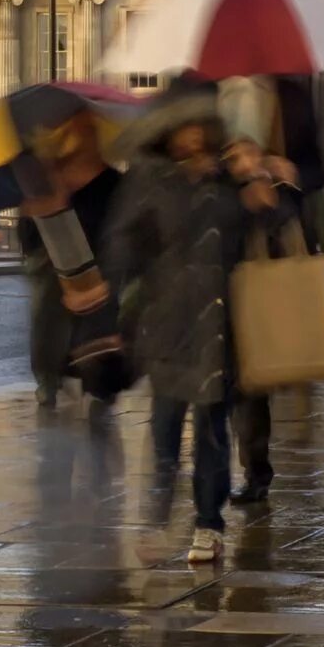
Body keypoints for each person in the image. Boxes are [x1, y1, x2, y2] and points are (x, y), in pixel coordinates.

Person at [107, 90, 288, 563]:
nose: (192, 136)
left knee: (211, 432)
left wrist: (265, 187)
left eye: (200, 127)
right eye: (183, 127)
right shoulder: (149, 181)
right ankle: (156, 517)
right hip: (167, 325)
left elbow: (274, 234)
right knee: (164, 430)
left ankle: (209, 523)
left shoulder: (230, 181)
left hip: (219, 324)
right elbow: (123, 246)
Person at [18, 115, 123, 414]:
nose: (80, 137)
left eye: (87, 131)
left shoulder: (112, 181)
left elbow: (121, 224)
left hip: (97, 264)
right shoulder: (49, 175)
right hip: (51, 264)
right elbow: (29, 227)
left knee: (97, 326)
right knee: (47, 324)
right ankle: (48, 379)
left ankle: (100, 386)